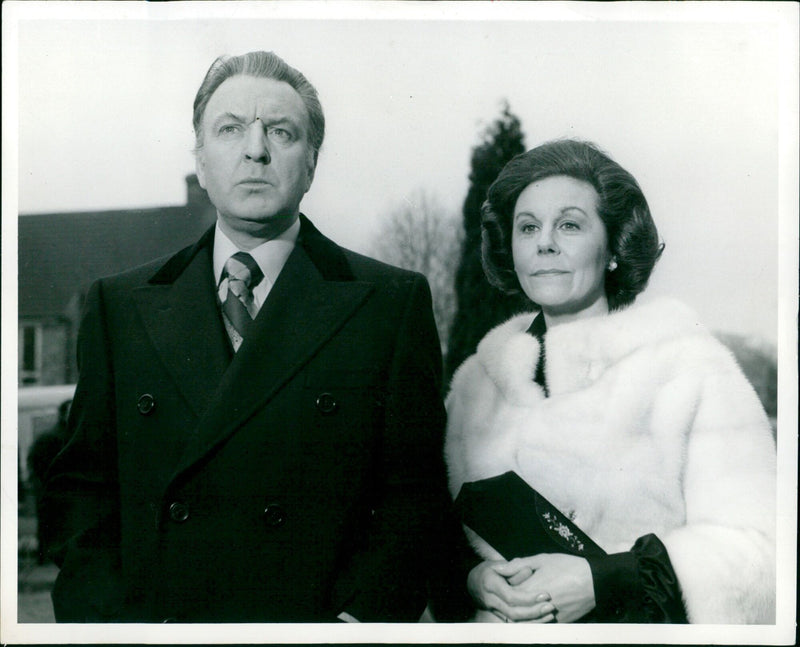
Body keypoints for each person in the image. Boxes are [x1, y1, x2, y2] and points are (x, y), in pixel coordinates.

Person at [42, 50, 466, 623]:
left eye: (282, 132)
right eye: (231, 129)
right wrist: (109, 628)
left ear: (311, 163)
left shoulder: (388, 303)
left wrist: (357, 627)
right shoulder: (118, 307)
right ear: (200, 156)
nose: (256, 149)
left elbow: (413, 498)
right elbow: (83, 496)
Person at [444, 139, 776, 624]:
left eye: (570, 225)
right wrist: (471, 579)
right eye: (528, 227)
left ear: (615, 246)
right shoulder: (476, 385)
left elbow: (761, 556)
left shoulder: (689, 368)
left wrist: (603, 581)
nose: (544, 242)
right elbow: (433, 538)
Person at [26, 399, 71, 564]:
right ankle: (44, 556)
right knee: (50, 523)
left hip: (55, 488)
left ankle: (46, 556)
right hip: (51, 488)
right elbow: (35, 461)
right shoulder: (53, 437)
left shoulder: (62, 435)